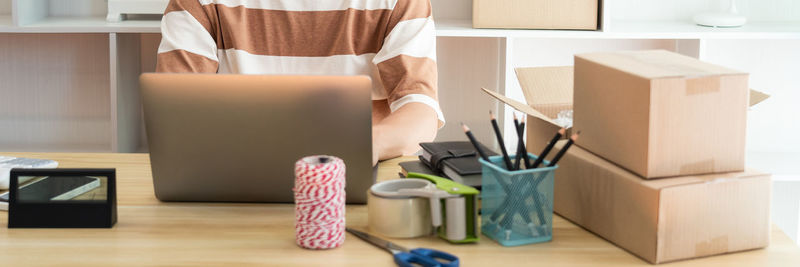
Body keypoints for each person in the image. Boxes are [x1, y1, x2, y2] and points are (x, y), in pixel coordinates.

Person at [156, 0, 444, 165]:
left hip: (353, 180)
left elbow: (420, 110)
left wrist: (365, 146)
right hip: (231, 179)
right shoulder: (196, 2)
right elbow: (173, 115)